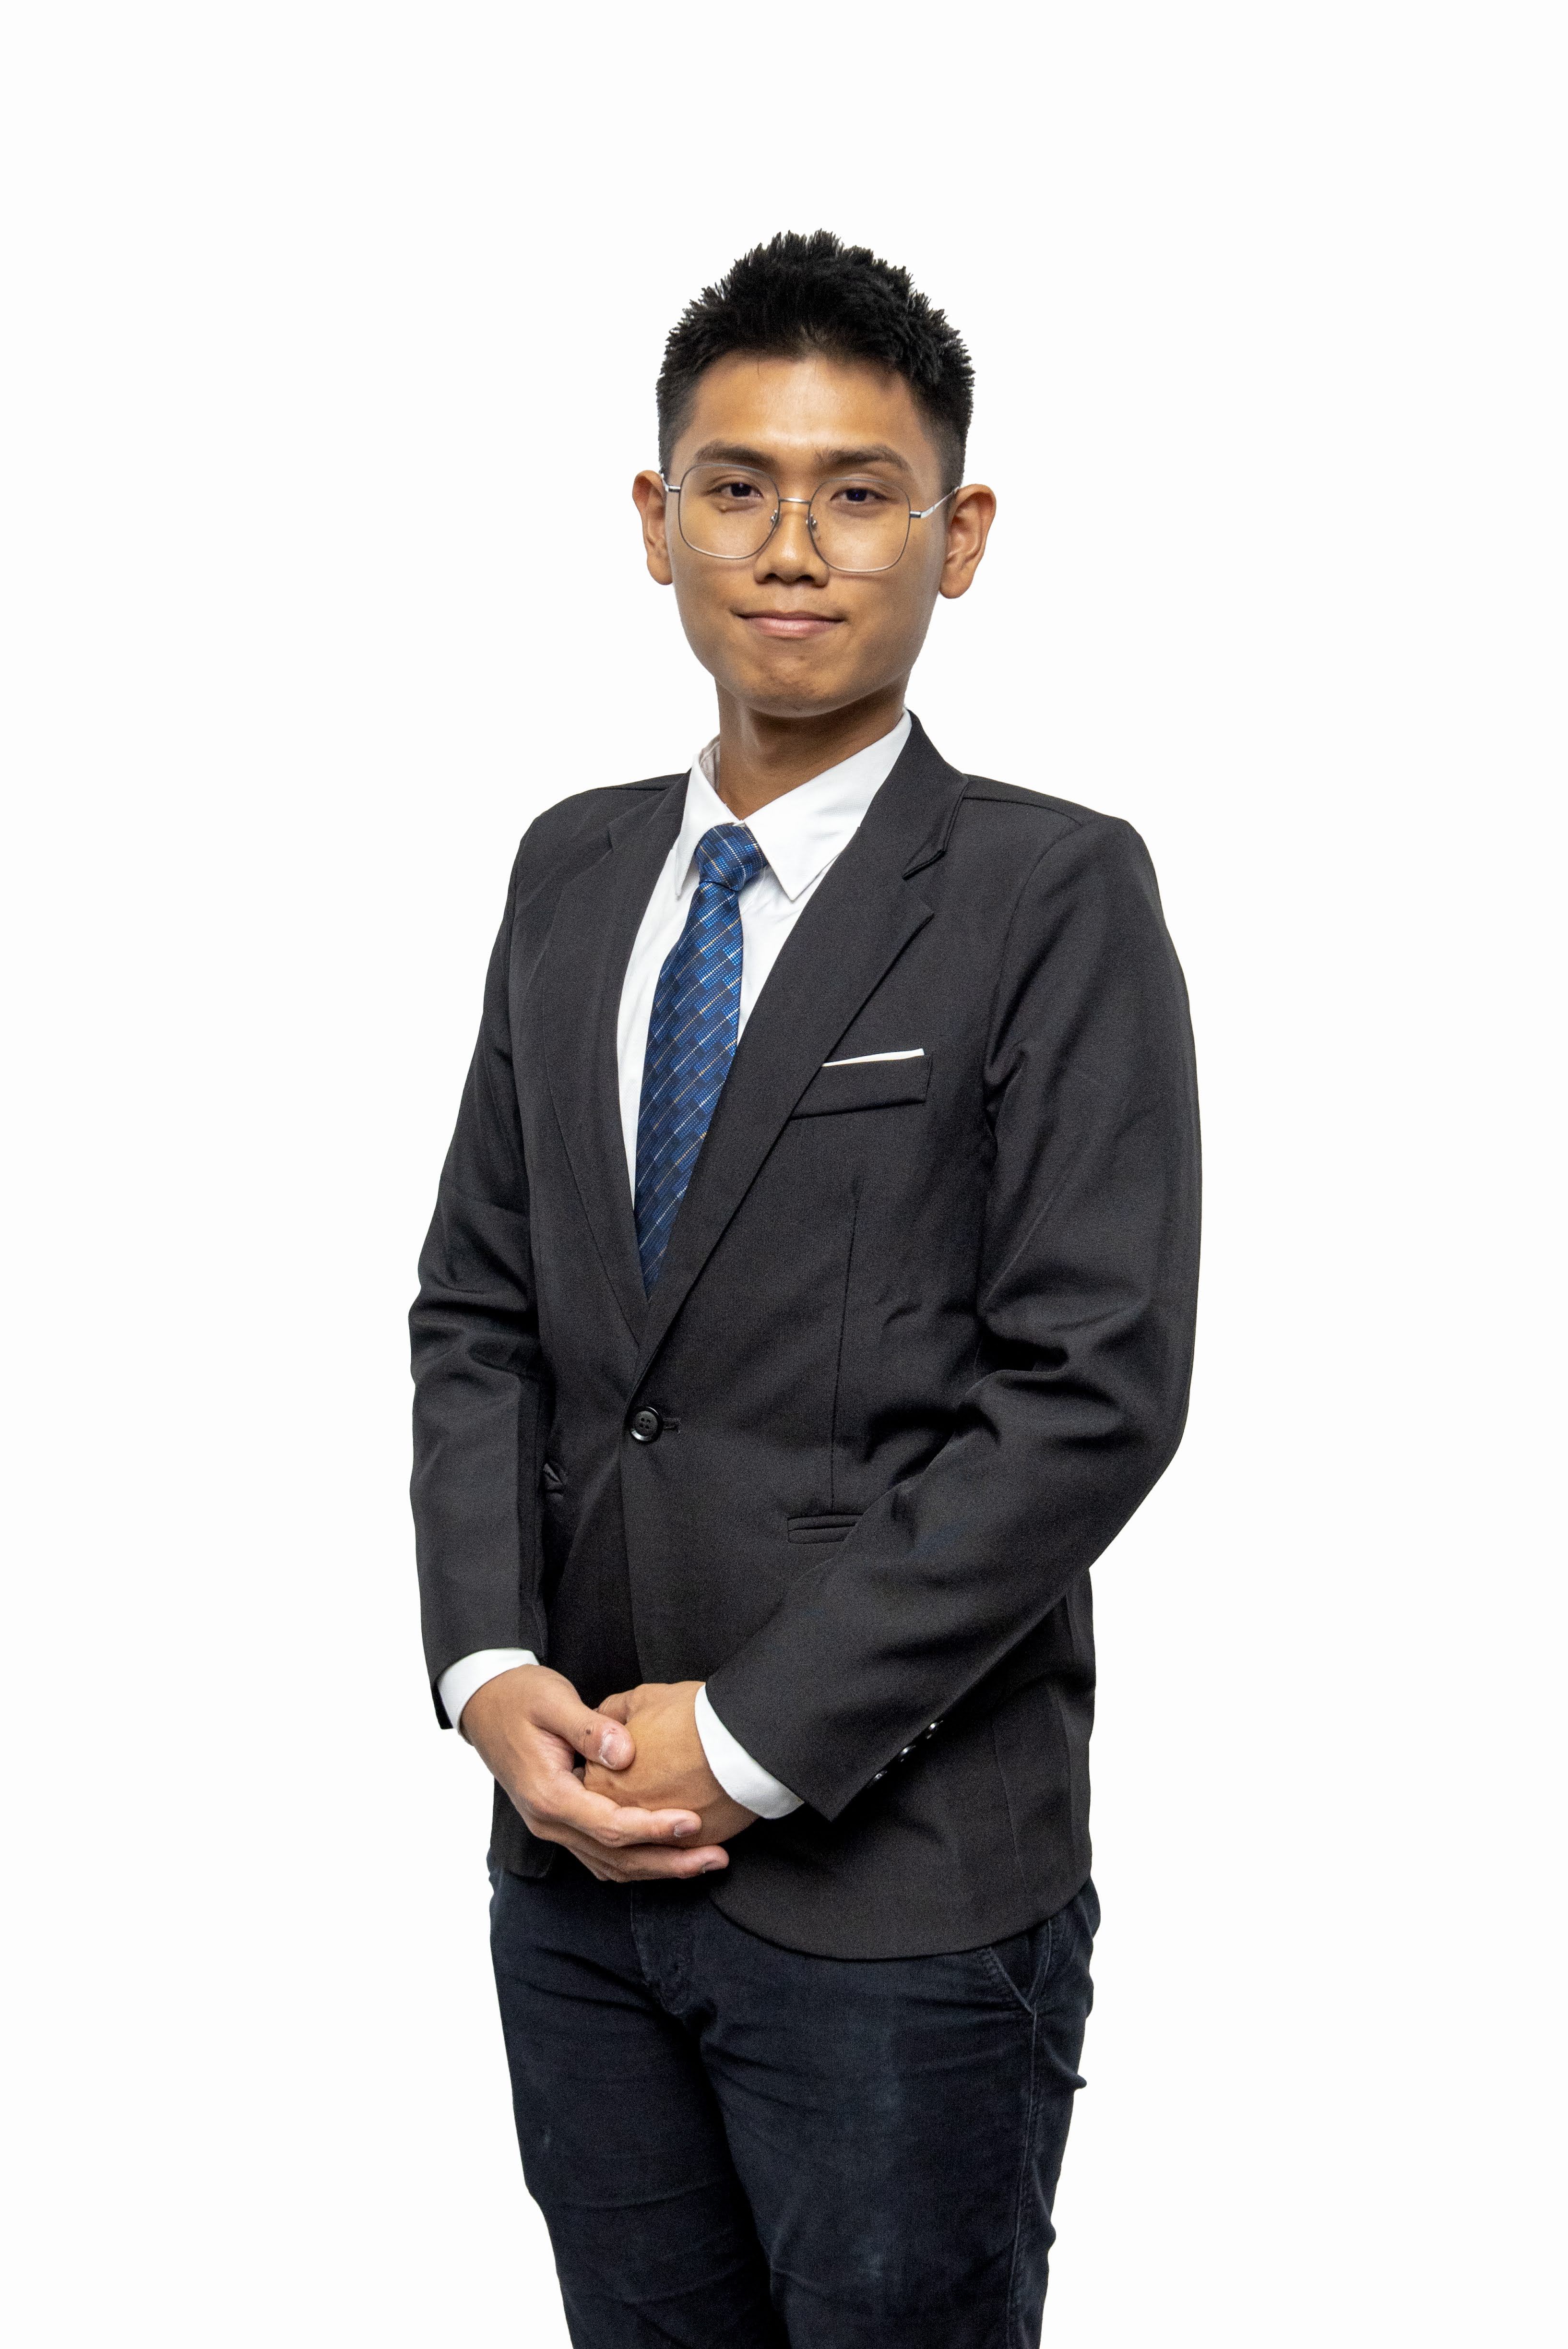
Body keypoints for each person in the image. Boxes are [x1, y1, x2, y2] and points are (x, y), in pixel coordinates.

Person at [409, 228, 1200, 2349]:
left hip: (902, 1888)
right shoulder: (570, 869)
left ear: (960, 536)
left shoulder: (1050, 891)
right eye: (737, 485)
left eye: (859, 492)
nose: (790, 545)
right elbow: (481, 1305)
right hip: (572, 1863)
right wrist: (487, 1667)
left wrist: (755, 1738)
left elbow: (1089, 1390)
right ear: (652, 518)